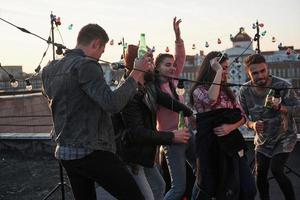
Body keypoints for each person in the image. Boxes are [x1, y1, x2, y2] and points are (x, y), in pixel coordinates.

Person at [41, 23, 153, 200]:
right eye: (102, 50)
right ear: (95, 43)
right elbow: (112, 104)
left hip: (65, 152)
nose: (101, 55)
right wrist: (136, 72)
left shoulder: (49, 69)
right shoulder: (86, 65)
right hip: (90, 151)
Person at [117, 44, 192, 200]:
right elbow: (136, 132)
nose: (152, 64)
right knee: (148, 196)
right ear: (137, 64)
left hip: (145, 150)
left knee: (159, 187)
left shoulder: (149, 84)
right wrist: (172, 136)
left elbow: (168, 101)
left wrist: (189, 113)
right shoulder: (129, 92)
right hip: (133, 156)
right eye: (148, 60)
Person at [189, 51, 256, 200]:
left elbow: (243, 116)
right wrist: (218, 71)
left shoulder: (228, 91)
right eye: (223, 67)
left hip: (232, 144)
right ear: (212, 67)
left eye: (225, 68)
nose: (226, 71)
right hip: (212, 148)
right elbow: (211, 99)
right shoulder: (198, 91)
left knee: (248, 188)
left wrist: (230, 127)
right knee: (218, 190)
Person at [239, 53, 299, 200]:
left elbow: (298, 108)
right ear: (248, 73)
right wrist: (252, 125)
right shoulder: (244, 90)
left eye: (263, 71)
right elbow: (242, 117)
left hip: (284, 137)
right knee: (260, 174)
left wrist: (280, 108)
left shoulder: (282, 85)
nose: (260, 76)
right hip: (263, 140)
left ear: (267, 69)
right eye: (255, 73)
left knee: (277, 169)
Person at [154, 17, 196, 200]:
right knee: (178, 188)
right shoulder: (154, 89)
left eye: (173, 65)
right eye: (167, 65)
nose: (172, 68)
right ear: (156, 68)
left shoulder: (174, 81)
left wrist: (178, 36)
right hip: (172, 140)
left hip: (187, 133)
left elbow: (181, 58)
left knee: (203, 176)